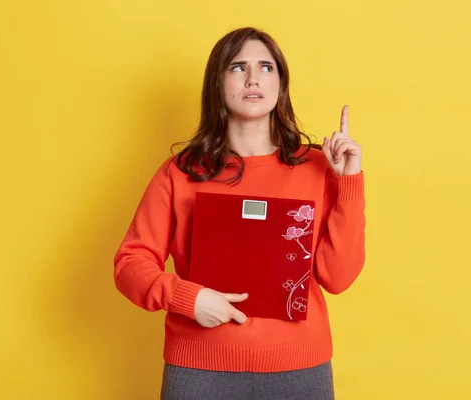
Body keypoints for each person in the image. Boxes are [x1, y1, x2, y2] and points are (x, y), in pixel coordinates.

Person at [113, 26, 366, 400]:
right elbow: (130, 265)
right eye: (237, 67)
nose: (252, 78)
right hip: (198, 370)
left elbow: (339, 277)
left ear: (281, 84)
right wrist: (186, 297)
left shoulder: (318, 168)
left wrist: (349, 182)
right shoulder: (180, 172)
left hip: (298, 371)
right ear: (217, 82)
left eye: (266, 67)